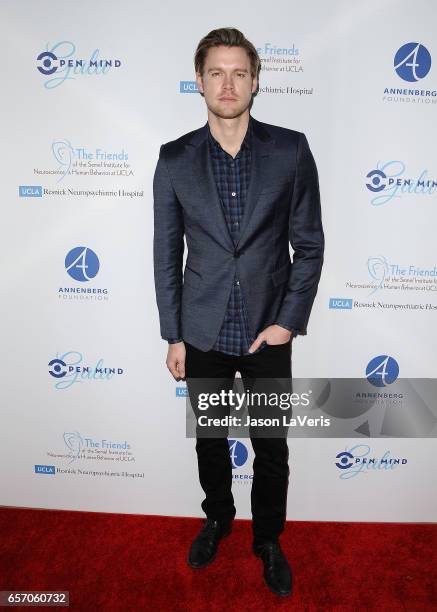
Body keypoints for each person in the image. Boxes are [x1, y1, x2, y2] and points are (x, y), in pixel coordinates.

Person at [153, 27, 324, 597]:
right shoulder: (174, 158)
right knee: (210, 439)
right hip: (201, 329)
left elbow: (310, 245)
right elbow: (165, 255)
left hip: (268, 332)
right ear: (199, 80)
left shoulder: (290, 149)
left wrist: (287, 321)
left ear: (256, 80)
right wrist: (174, 335)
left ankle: (268, 538)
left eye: (240, 72)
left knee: (271, 444)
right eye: (217, 73)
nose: (228, 84)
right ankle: (218, 519)